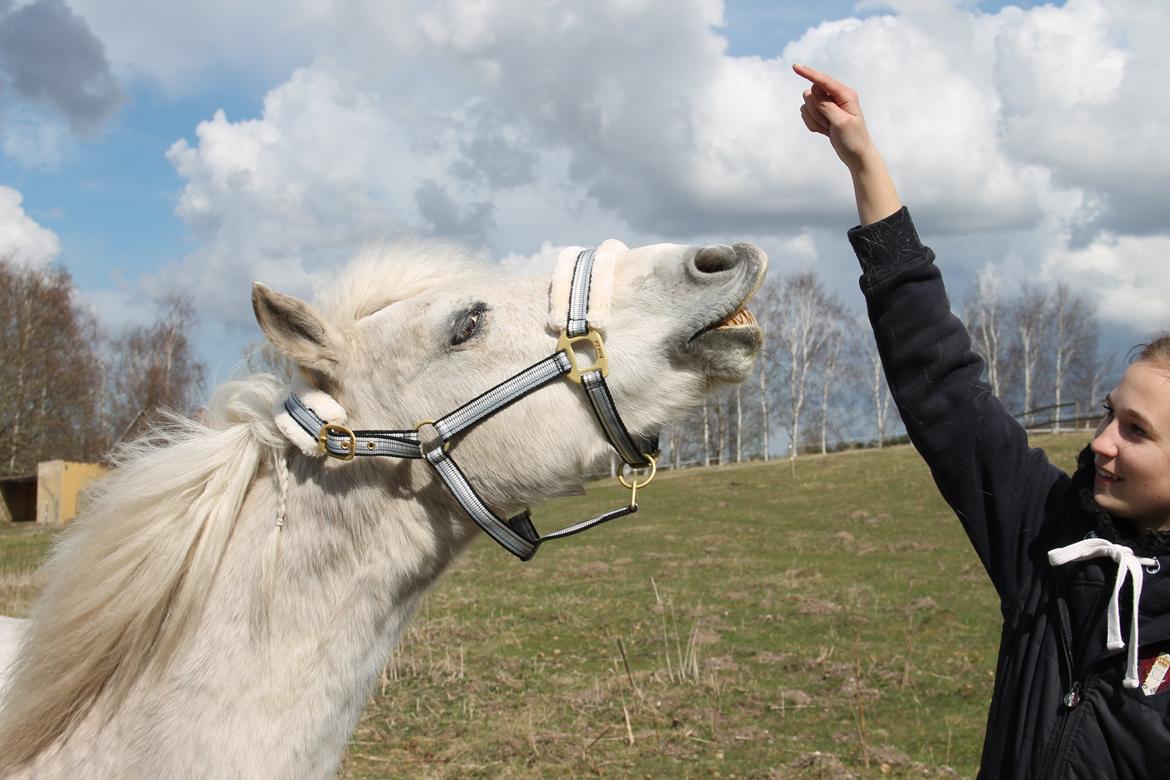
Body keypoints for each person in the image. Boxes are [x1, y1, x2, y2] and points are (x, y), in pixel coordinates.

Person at [793, 63, 1170, 778]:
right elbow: (944, 386)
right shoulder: (1055, 543)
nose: (1101, 444)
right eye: (1109, 416)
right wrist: (865, 160)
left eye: (1137, 431)